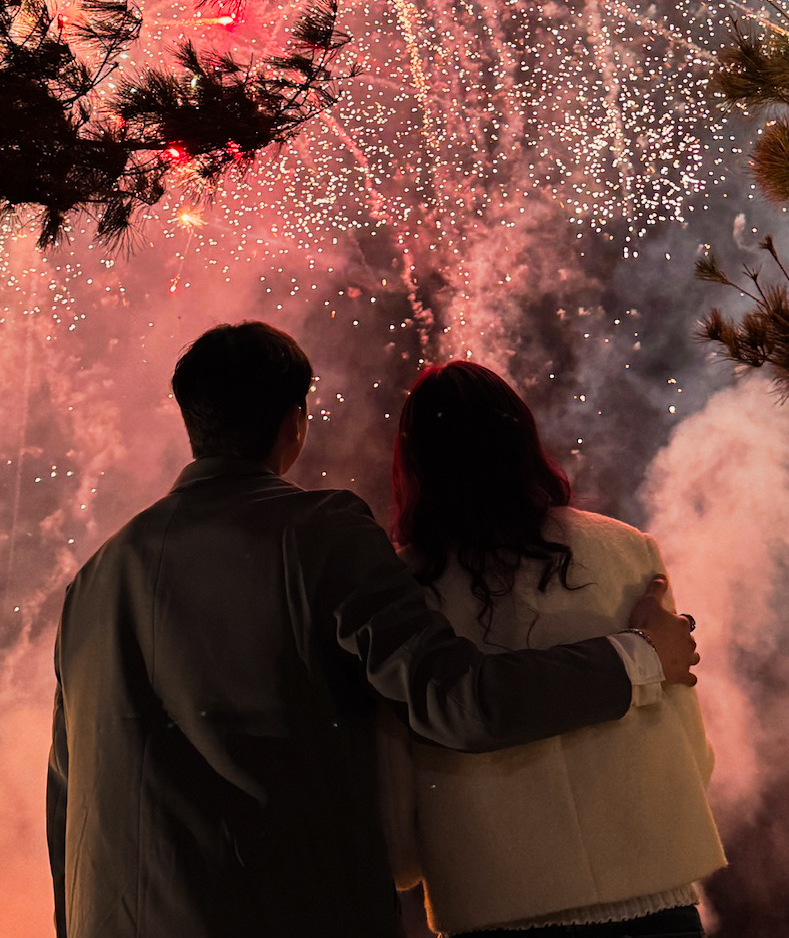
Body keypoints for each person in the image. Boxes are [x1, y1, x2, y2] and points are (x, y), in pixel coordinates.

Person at [46, 322, 700, 938]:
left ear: (192, 420)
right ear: (294, 424)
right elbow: (455, 702)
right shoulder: (318, 533)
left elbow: (64, 806)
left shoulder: (93, 582)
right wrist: (640, 657)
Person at [380, 361, 726, 938]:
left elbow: (395, 778)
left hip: (497, 903)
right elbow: (692, 747)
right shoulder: (628, 550)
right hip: (653, 893)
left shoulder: (404, 590)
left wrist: (403, 863)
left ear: (415, 462)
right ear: (522, 438)